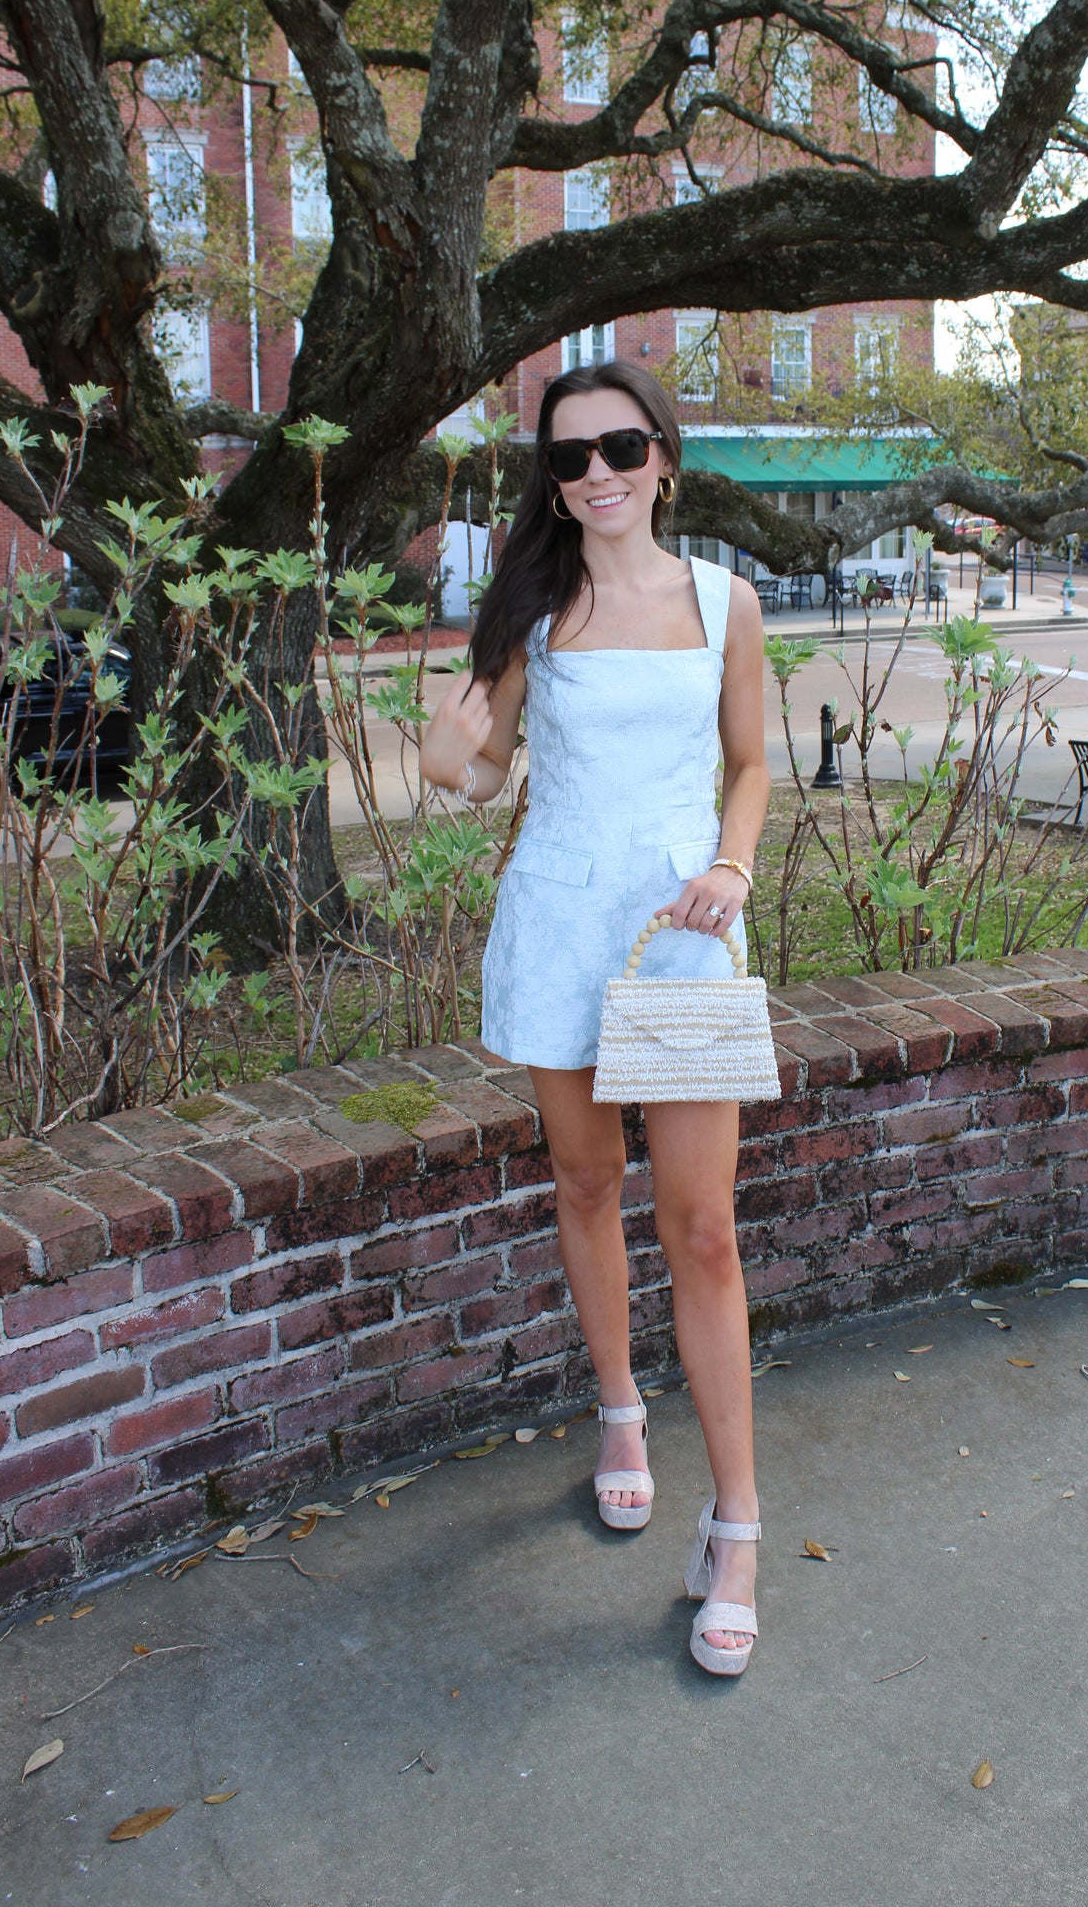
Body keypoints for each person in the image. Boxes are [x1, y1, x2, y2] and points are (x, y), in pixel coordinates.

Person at [419, 362, 772, 1678]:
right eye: (569, 459)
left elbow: (748, 763)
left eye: (620, 446)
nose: (598, 473)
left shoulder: (724, 602)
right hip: (563, 923)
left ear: (663, 456)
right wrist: (445, 761)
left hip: (682, 942)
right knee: (582, 1180)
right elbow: (483, 765)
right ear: (551, 484)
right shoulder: (536, 610)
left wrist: (733, 866)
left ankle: (734, 1526)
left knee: (706, 1231)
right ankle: (618, 1409)